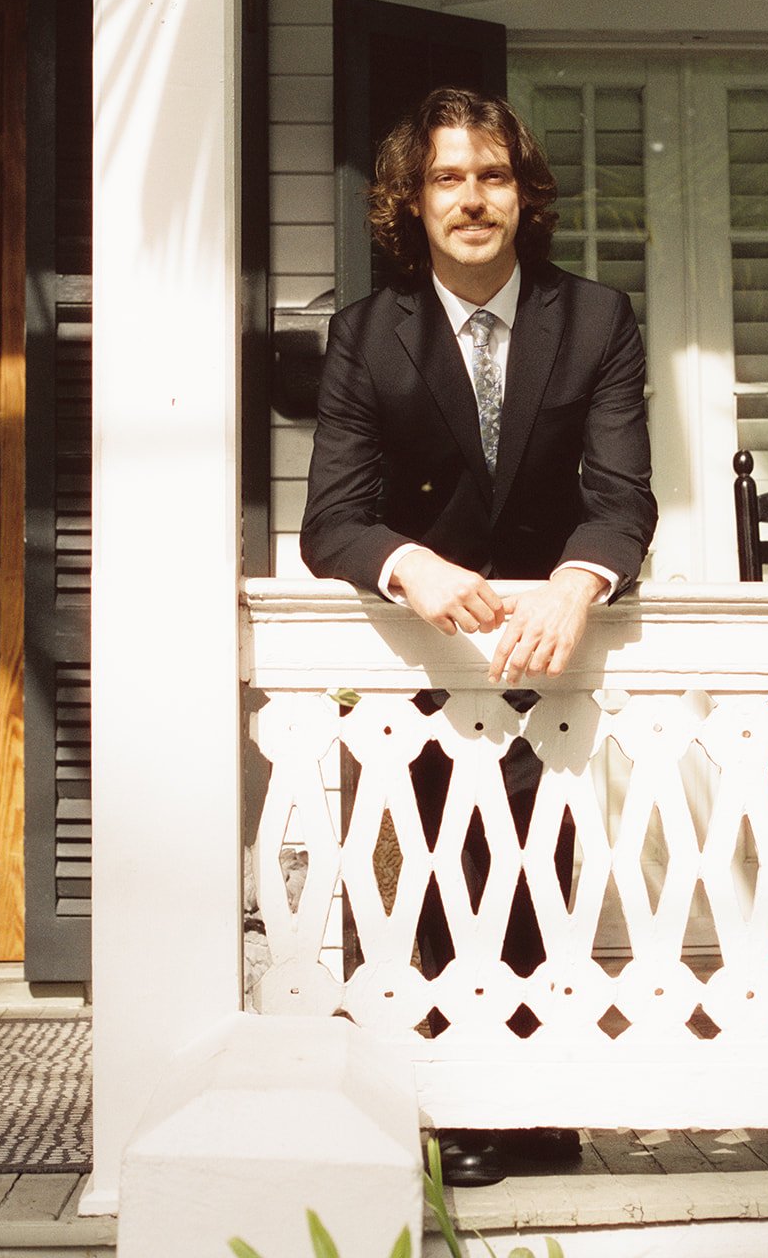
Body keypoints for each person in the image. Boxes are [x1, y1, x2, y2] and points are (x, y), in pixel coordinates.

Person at [301, 87, 657, 1183]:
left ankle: (542, 1105)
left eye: (493, 175)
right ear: (409, 201)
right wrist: (411, 564)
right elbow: (332, 519)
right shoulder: (367, 334)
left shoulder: (595, 319)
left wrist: (577, 578)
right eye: (448, 177)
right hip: (428, 649)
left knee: (545, 862)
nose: (472, 198)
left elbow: (625, 494)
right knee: (450, 865)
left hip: (556, 643)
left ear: (524, 193)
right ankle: (469, 1104)